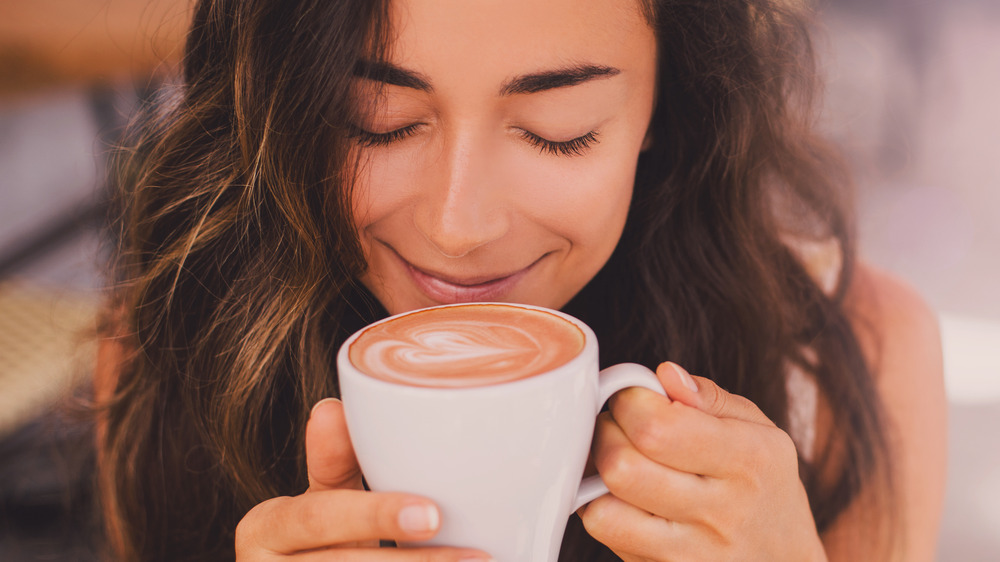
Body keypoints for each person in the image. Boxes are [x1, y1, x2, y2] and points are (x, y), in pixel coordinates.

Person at [94, 0, 947, 560]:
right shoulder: (172, 341)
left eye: (557, 130)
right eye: (377, 123)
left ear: (666, 108)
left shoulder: (850, 365)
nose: (457, 227)